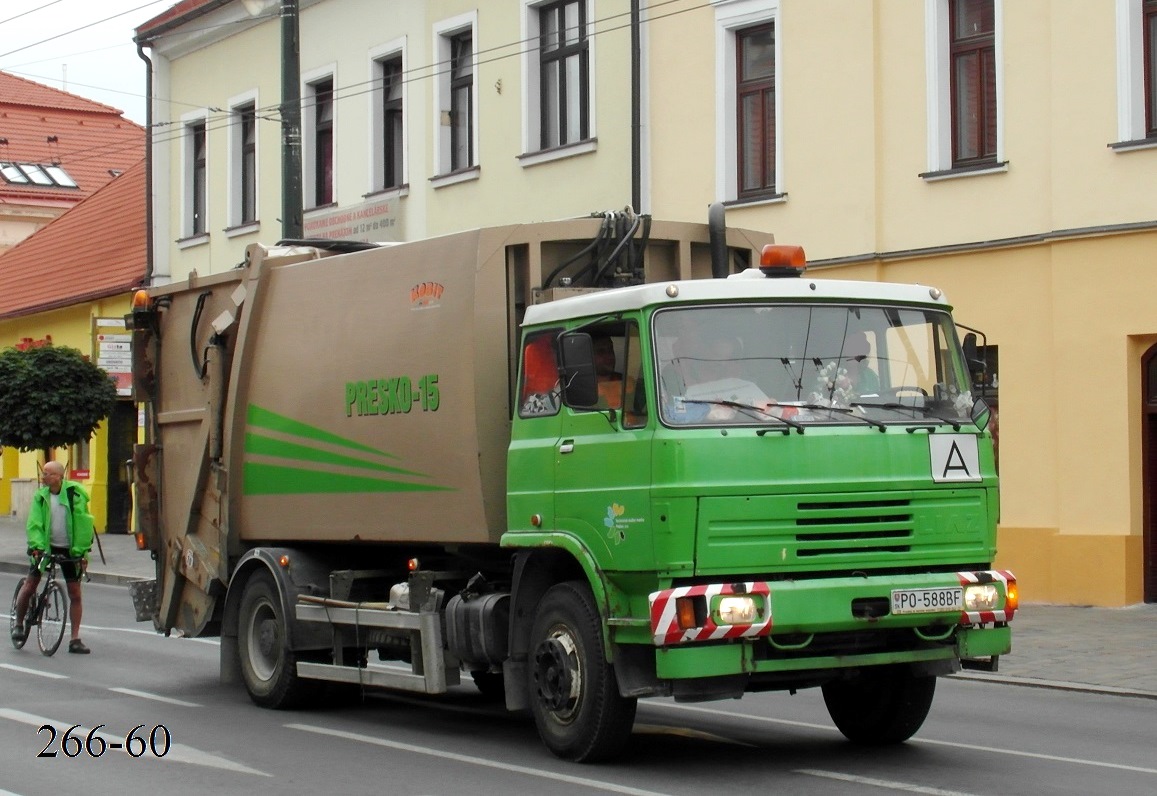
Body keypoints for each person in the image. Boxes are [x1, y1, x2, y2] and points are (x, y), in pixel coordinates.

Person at [11, 461, 95, 654]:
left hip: (69, 549)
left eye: (47, 473)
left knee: (75, 593)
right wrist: (37, 547)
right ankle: (19, 624)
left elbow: (84, 523)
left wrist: (81, 551)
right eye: (43, 473)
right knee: (31, 584)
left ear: (58, 476)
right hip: (44, 547)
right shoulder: (40, 498)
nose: (43, 476)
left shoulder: (75, 494)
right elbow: (35, 525)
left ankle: (75, 639)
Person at [593, 334, 623, 409]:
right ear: (589, 356)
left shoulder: (627, 382)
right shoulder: (581, 389)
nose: (609, 356)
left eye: (610, 350)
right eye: (601, 351)